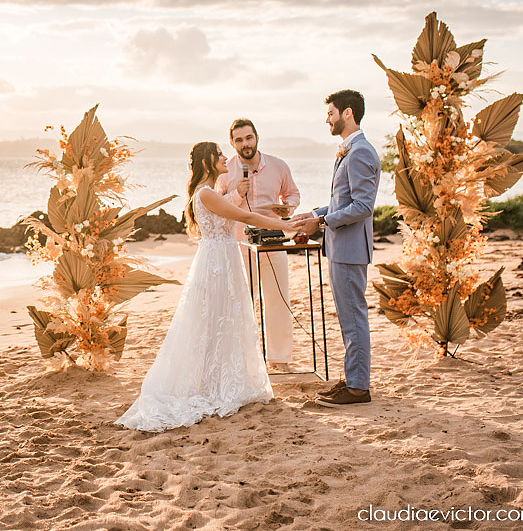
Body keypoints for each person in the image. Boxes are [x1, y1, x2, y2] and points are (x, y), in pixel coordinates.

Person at [117, 142, 292, 432]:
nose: (225, 157)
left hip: (222, 259)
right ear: (207, 161)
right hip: (217, 265)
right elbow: (246, 217)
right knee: (216, 322)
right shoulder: (207, 193)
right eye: (219, 154)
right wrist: (287, 226)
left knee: (222, 322)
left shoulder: (211, 192)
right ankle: (212, 386)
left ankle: (218, 381)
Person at [290, 90, 380, 407]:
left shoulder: (360, 152)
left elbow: (363, 206)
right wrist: (313, 214)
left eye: (330, 113)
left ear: (348, 113)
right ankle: (353, 379)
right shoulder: (351, 150)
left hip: (350, 249)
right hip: (342, 248)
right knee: (348, 318)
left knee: (353, 318)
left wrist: (323, 222)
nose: (327, 119)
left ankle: (357, 389)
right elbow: (343, 201)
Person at [216, 118, 301, 372]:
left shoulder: (278, 166)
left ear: (257, 138)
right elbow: (217, 207)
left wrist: (287, 208)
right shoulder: (225, 172)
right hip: (239, 246)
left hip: (273, 242)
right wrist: (236, 195)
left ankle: (279, 358)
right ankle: (242, 360)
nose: (245, 144)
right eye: (239, 140)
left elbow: (293, 193)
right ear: (232, 143)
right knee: (241, 304)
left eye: (249, 138)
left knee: (278, 300)